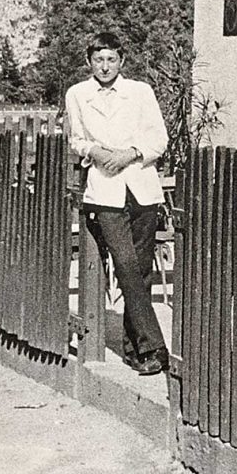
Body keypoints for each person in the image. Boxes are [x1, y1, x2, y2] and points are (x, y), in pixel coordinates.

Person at [65, 31, 169, 375]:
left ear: (122, 61)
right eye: (98, 60)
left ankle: (136, 352)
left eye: (111, 59)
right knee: (125, 266)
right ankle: (155, 346)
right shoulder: (78, 94)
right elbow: (77, 139)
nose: (105, 66)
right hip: (105, 191)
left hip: (141, 186)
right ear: (88, 62)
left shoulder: (140, 92)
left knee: (140, 271)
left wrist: (130, 154)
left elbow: (158, 138)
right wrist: (95, 151)